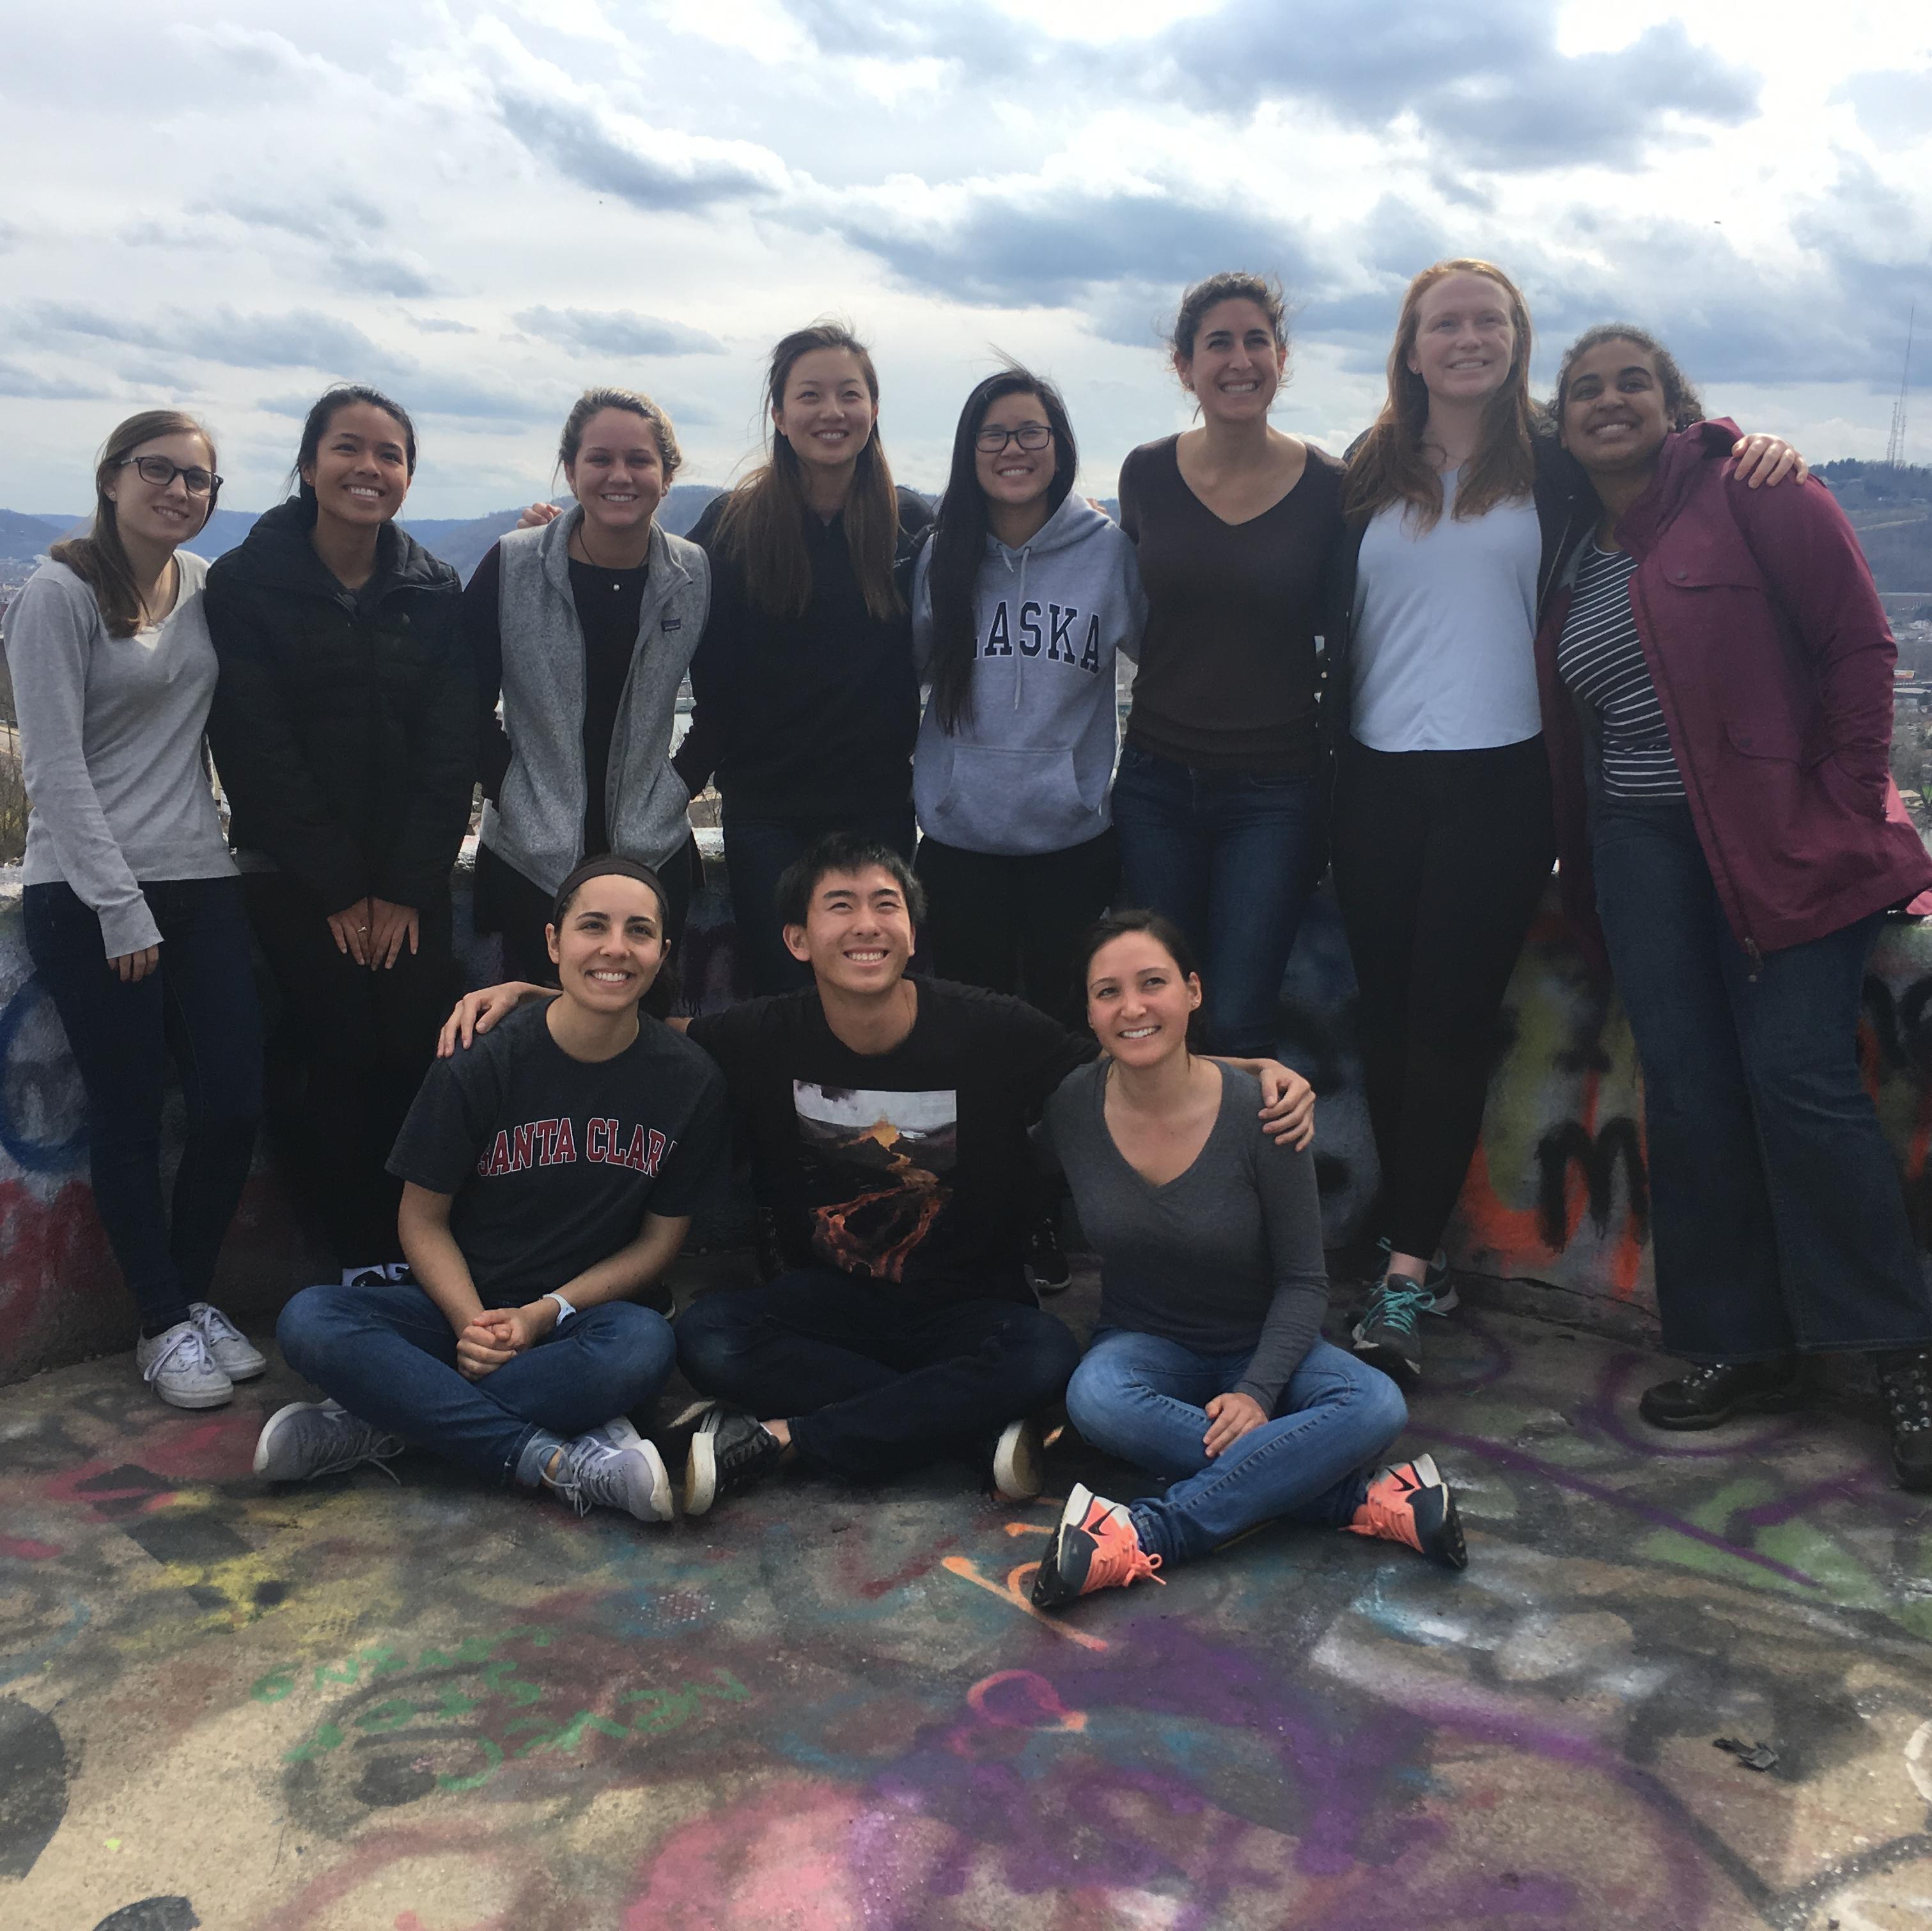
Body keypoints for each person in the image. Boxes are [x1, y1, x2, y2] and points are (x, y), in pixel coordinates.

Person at [439, 832, 1316, 1517]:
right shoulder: (760, 1035)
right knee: (709, 1337)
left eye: (885, 903)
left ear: (910, 929)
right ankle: (965, 1432)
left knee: (1047, 1351)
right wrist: (535, 996)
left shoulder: (991, 1030)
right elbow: (638, 1025)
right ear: (795, 938)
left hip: (970, 1308)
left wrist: (1252, 1072)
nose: (866, 923)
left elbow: (1132, 1056)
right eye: (840, 905)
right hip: (831, 1308)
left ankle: (788, 1439)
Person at [1328, 260, 1805, 1384]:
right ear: (1408, 345)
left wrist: (1745, 445)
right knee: (1387, 1024)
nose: (1467, 338)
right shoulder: (1365, 467)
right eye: (1444, 321)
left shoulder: (1549, 465)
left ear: (1517, 340)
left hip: (1501, 780)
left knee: (1445, 1024)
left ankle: (1401, 1269)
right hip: (1371, 780)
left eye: (1488, 320)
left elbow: (1664, 471)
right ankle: (1424, 1250)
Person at [1536, 323, 1932, 1489]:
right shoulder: (1573, 549)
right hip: (1636, 846)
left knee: (1797, 1079)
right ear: (1559, 424)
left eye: (1632, 383)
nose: (1609, 402)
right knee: (1691, 1091)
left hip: (1777, 838)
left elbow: (1860, 646)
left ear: (1673, 404)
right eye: (1585, 390)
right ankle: (1737, 1345)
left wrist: (1843, 803)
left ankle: (1895, 1353)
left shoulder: (1753, 490)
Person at [255, 857, 728, 1523]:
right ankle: (551, 1457)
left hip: (580, 1322)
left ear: (662, 953)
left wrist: (541, 1314)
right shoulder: (481, 1055)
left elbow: (657, 1245)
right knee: (311, 1319)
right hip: (458, 1309)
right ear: (554, 943)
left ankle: (390, 1419)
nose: (616, 948)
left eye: (639, 931)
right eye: (593, 926)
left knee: (644, 1347)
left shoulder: (690, 1081)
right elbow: (421, 1221)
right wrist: (472, 1325)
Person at [1028, 910, 1464, 1611]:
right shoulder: (1072, 1107)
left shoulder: (1264, 1110)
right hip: (1144, 1348)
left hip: (1266, 1344)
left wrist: (1259, 1393)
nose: (1132, 1007)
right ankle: (1350, 1499)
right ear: (1088, 1010)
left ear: (1193, 992)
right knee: (1095, 1398)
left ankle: (1147, 1530)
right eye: (1108, 992)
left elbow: (1302, 1281)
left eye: (1153, 983)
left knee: (1375, 1403)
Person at [12, 410, 265, 1409]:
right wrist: (119, 905)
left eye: (198, 479)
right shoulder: (58, 592)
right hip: (88, 892)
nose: (179, 491)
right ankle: (159, 1321)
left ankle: (192, 1296)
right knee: (125, 1115)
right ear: (112, 477)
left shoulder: (204, 588)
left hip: (202, 879)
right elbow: (53, 765)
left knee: (233, 1099)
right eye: (157, 471)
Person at [205, 385, 475, 1276]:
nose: (369, 468)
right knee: (334, 1061)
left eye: (390, 454)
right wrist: (337, 888)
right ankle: (351, 1254)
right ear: (309, 463)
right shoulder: (248, 583)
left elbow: (451, 745)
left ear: (407, 474)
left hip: (412, 879)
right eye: (348, 449)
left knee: (417, 1056)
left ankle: (419, 1249)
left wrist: (400, 887)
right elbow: (254, 745)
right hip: (291, 875)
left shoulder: (434, 590)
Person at [912, 366, 1145, 1292]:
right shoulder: (940, 554)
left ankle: (1045, 1216)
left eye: (1031, 433)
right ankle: (985, 1217)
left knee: (1060, 1049)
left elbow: (1171, 659)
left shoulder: (1107, 552)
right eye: (994, 435)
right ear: (969, 453)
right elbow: (900, 678)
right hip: (960, 843)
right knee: (965, 1049)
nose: (1013, 451)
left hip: (1069, 846)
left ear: (1060, 446)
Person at [1111, 271, 1345, 1057]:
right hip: (1153, 779)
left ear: (1281, 358)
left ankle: (1239, 1180)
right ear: (1184, 366)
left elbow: (1344, 633)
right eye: (1218, 343)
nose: (1239, 360)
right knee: (1156, 1013)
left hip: (1274, 790)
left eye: (1255, 342)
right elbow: (1138, 616)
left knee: (1240, 1017)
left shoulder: (1330, 490)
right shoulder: (1144, 474)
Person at [671, 322, 933, 996]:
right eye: (809, 395)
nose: (831, 412)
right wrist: (556, 536)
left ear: (873, 411)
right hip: (767, 809)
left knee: (875, 987)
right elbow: (658, 609)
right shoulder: (732, 526)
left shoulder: (913, 524)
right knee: (781, 996)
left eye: (849, 393)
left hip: (877, 803)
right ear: (779, 415)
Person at [467, 389, 709, 983]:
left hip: (654, 855)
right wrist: (511, 790)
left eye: (640, 460)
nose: (619, 475)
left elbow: (726, 701)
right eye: (600, 459)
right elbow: (461, 701)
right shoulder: (512, 566)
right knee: (534, 1039)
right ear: (571, 470)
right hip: (531, 863)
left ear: (667, 474)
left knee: (640, 1044)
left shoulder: (694, 574)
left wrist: (675, 788)